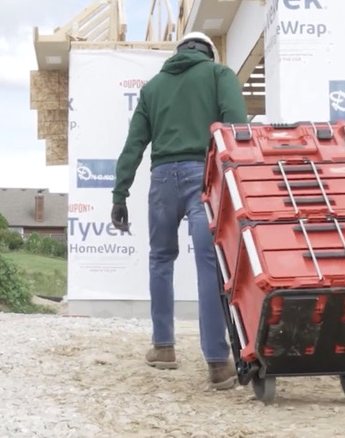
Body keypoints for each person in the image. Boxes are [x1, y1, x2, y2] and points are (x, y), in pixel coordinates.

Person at [109, 32, 248, 390]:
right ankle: (218, 364)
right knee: (208, 263)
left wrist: (119, 194)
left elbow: (134, 144)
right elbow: (236, 126)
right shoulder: (219, 75)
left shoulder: (152, 88)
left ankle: (164, 347)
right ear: (208, 53)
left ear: (178, 53)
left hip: (161, 181)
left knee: (160, 260)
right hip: (203, 176)